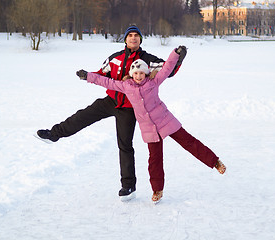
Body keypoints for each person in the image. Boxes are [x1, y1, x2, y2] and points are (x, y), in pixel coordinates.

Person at [36, 25, 185, 201]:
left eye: (136, 35)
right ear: (125, 39)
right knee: (82, 116)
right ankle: (54, 134)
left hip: (129, 108)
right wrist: (87, 75)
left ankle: (128, 186)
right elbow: (102, 75)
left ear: (140, 39)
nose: (133, 38)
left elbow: (169, 70)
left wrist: (179, 58)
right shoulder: (115, 58)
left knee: (124, 145)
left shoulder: (148, 59)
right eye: (130, 35)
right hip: (111, 100)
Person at [76, 46, 226, 204]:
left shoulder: (153, 82)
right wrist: (88, 76)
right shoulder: (126, 87)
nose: (139, 76)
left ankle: (215, 161)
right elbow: (106, 81)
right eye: (136, 73)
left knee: (189, 142)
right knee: (155, 159)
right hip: (149, 129)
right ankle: (157, 190)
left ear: (146, 73)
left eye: (141, 73)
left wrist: (175, 53)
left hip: (165, 121)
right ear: (131, 75)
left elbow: (167, 68)